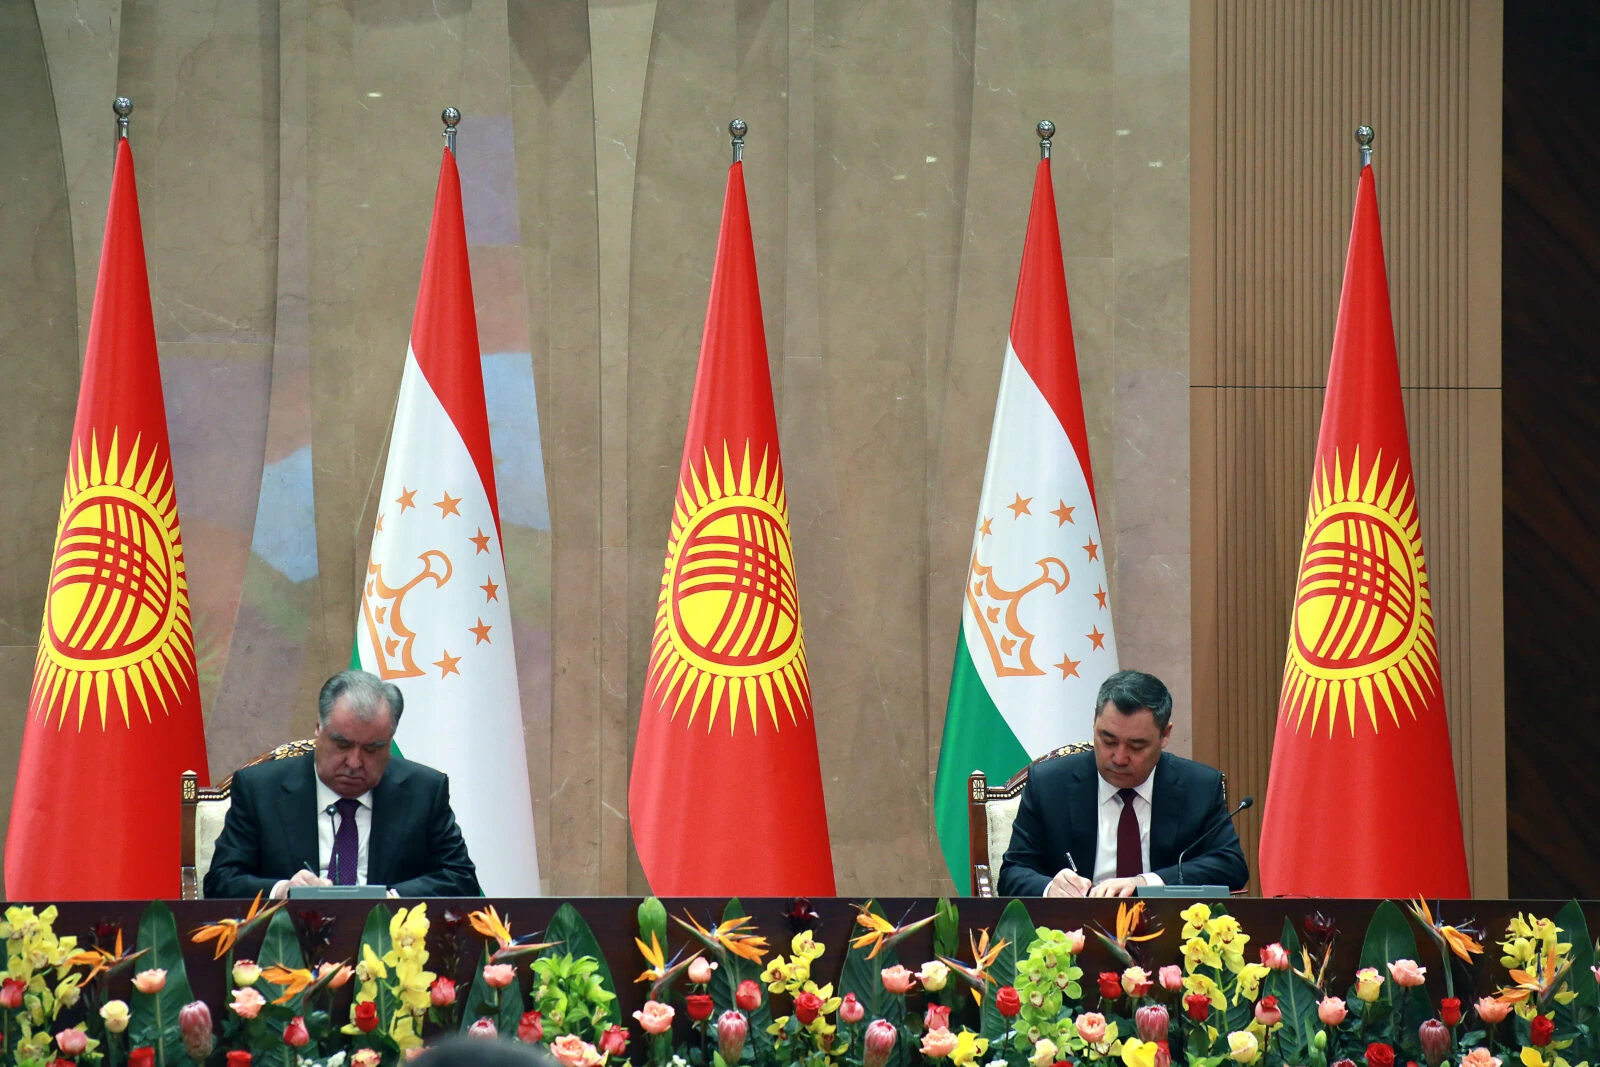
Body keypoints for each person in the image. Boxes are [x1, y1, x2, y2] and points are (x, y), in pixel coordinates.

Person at [203, 669, 481, 899]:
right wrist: (282, 891)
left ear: (390, 741)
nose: (355, 762)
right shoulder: (260, 790)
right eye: (342, 744)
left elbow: (460, 879)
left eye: (372, 749)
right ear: (318, 730)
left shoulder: (424, 791)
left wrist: (391, 900)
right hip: (287, 950)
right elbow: (220, 882)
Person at [997, 669, 1249, 897]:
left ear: (1165, 735)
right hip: (1072, 937)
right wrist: (1051, 888)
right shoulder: (1049, 784)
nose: (1118, 758)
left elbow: (1230, 866)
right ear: (1094, 721)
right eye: (1108, 740)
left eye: (1136, 746)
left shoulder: (1199, 786)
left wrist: (1148, 883)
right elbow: (1013, 872)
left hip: (1169, 938)